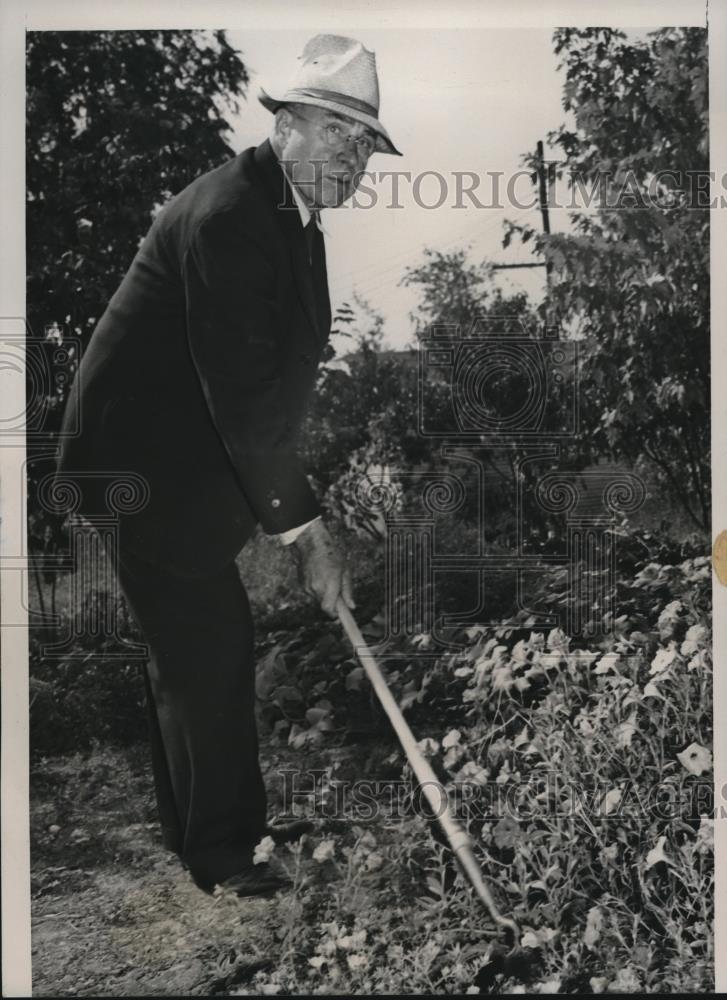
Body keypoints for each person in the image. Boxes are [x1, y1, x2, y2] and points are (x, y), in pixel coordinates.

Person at [55, 33, 401, 898]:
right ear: (284, 123)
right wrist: (308, 530)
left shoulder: (288, 214)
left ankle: (215, 834)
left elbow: (274, 380)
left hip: (184, 454)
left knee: (198, 645)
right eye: (334, 132)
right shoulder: (229, 217)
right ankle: (224, 854)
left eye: (364, 142)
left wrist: (288, 503)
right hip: (137, 461)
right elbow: (243, 394)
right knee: (206, 643)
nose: (352, 156)